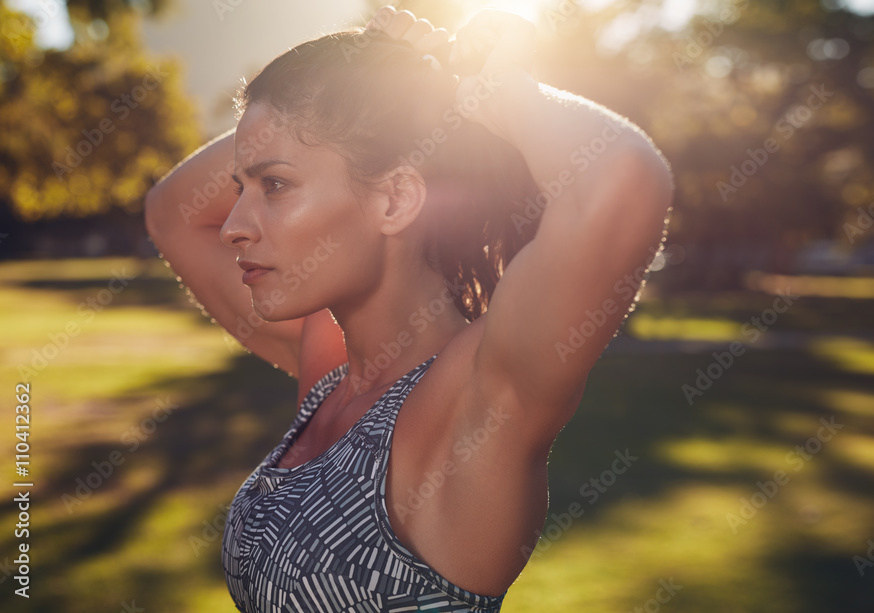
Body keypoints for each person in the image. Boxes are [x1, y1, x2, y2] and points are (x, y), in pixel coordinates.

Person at [144, 5, 673, 611]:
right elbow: (174, 212)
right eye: (242, 188)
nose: (234, 225)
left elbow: (622, 180)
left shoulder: (476, 400)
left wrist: (489, 87)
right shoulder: (333, 370)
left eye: (276, 186)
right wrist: (361, 84)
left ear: (395, 199)